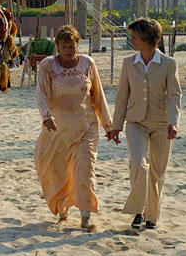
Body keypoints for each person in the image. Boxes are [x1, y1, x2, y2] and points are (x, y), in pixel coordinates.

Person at [34, 25, 115, 230]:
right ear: (58, 46)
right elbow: (42, 94)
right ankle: (63, 211)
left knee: (85, 168)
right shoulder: (48, 66)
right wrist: (46, 116)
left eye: (72, 46)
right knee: (60, 171)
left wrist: (108, 126)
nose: (69, 50)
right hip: (57, 129)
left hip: (86, 126)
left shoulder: (87, 64)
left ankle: (86, 216)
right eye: (65, 46)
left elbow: (98, 95)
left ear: (78, 44)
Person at [110, 18, 181, 230]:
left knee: (157, 172)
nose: (131, 41)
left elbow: (175, 96)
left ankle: (151, 216)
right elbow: (122, 97)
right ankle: (138, 211)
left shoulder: (169, 64)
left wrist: (173, 122)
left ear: (148, 39)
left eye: (135, 37)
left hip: (161, 124)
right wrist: (116, 126)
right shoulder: (128, 63)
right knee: (139, 165)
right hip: (135, 122)